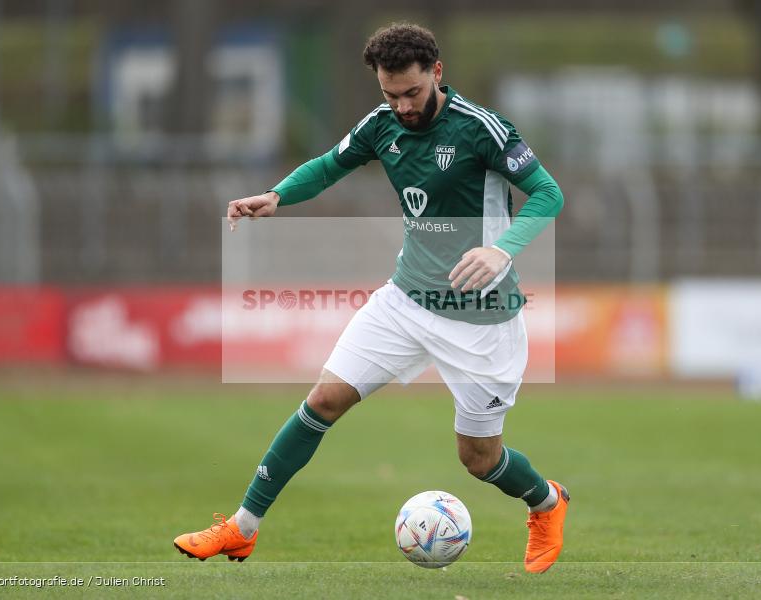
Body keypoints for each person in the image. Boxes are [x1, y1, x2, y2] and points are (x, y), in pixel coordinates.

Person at [174, 22, 568, 573]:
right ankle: (241, 529)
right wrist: (277, 195)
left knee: (478, 459)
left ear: (436, 73)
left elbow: (548, 193)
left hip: (482, 320)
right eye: (390, 94)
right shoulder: (382, 125)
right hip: (405, 302)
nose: (403, 106)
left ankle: (547, 502)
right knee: (323, 401)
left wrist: (502, 250)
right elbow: (331, 165)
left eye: (412, 92)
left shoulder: (482, 128)